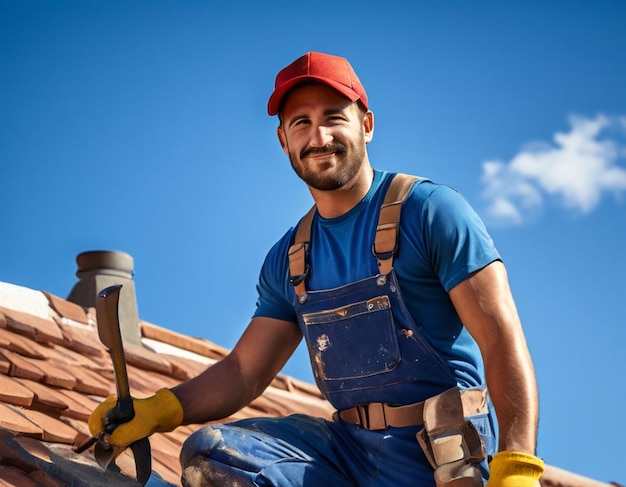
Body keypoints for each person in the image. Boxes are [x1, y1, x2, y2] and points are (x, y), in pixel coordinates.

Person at [89, 51, 544, 486]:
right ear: (283, 139)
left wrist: (516, 468)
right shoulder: (291, 258)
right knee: (212, 456)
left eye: (333, 117)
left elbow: (500, 338)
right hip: (348, 456)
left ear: (366, 125)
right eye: (301, 123)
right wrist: (162, 408)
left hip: (439, 461)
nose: (319, 136)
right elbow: (245, 372)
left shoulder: (430, 212)